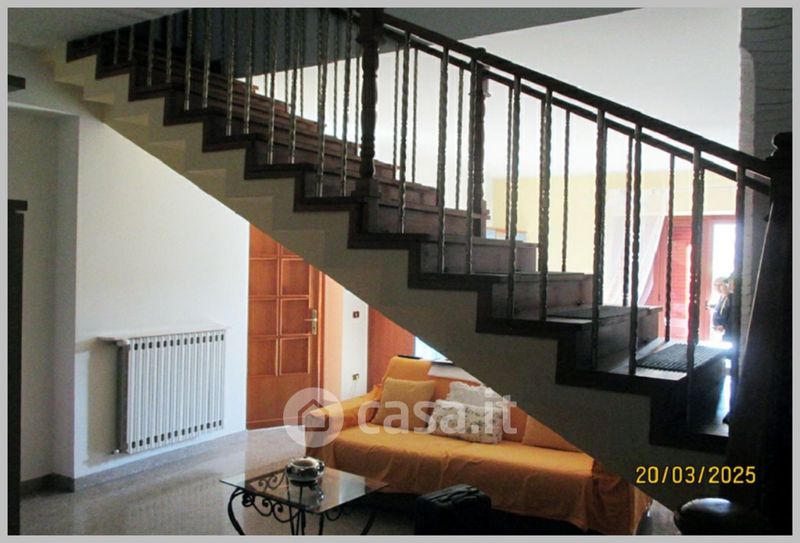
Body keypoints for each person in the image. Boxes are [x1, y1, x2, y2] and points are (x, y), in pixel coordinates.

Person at [711, 276, 732, 342]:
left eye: (720, 285)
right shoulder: (720, 298)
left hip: (728, 332)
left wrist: (724, 326)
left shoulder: (730, 298)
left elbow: (730, 316)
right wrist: (716, 325)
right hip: (720, 330)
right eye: (715, 285)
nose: (717, 288)